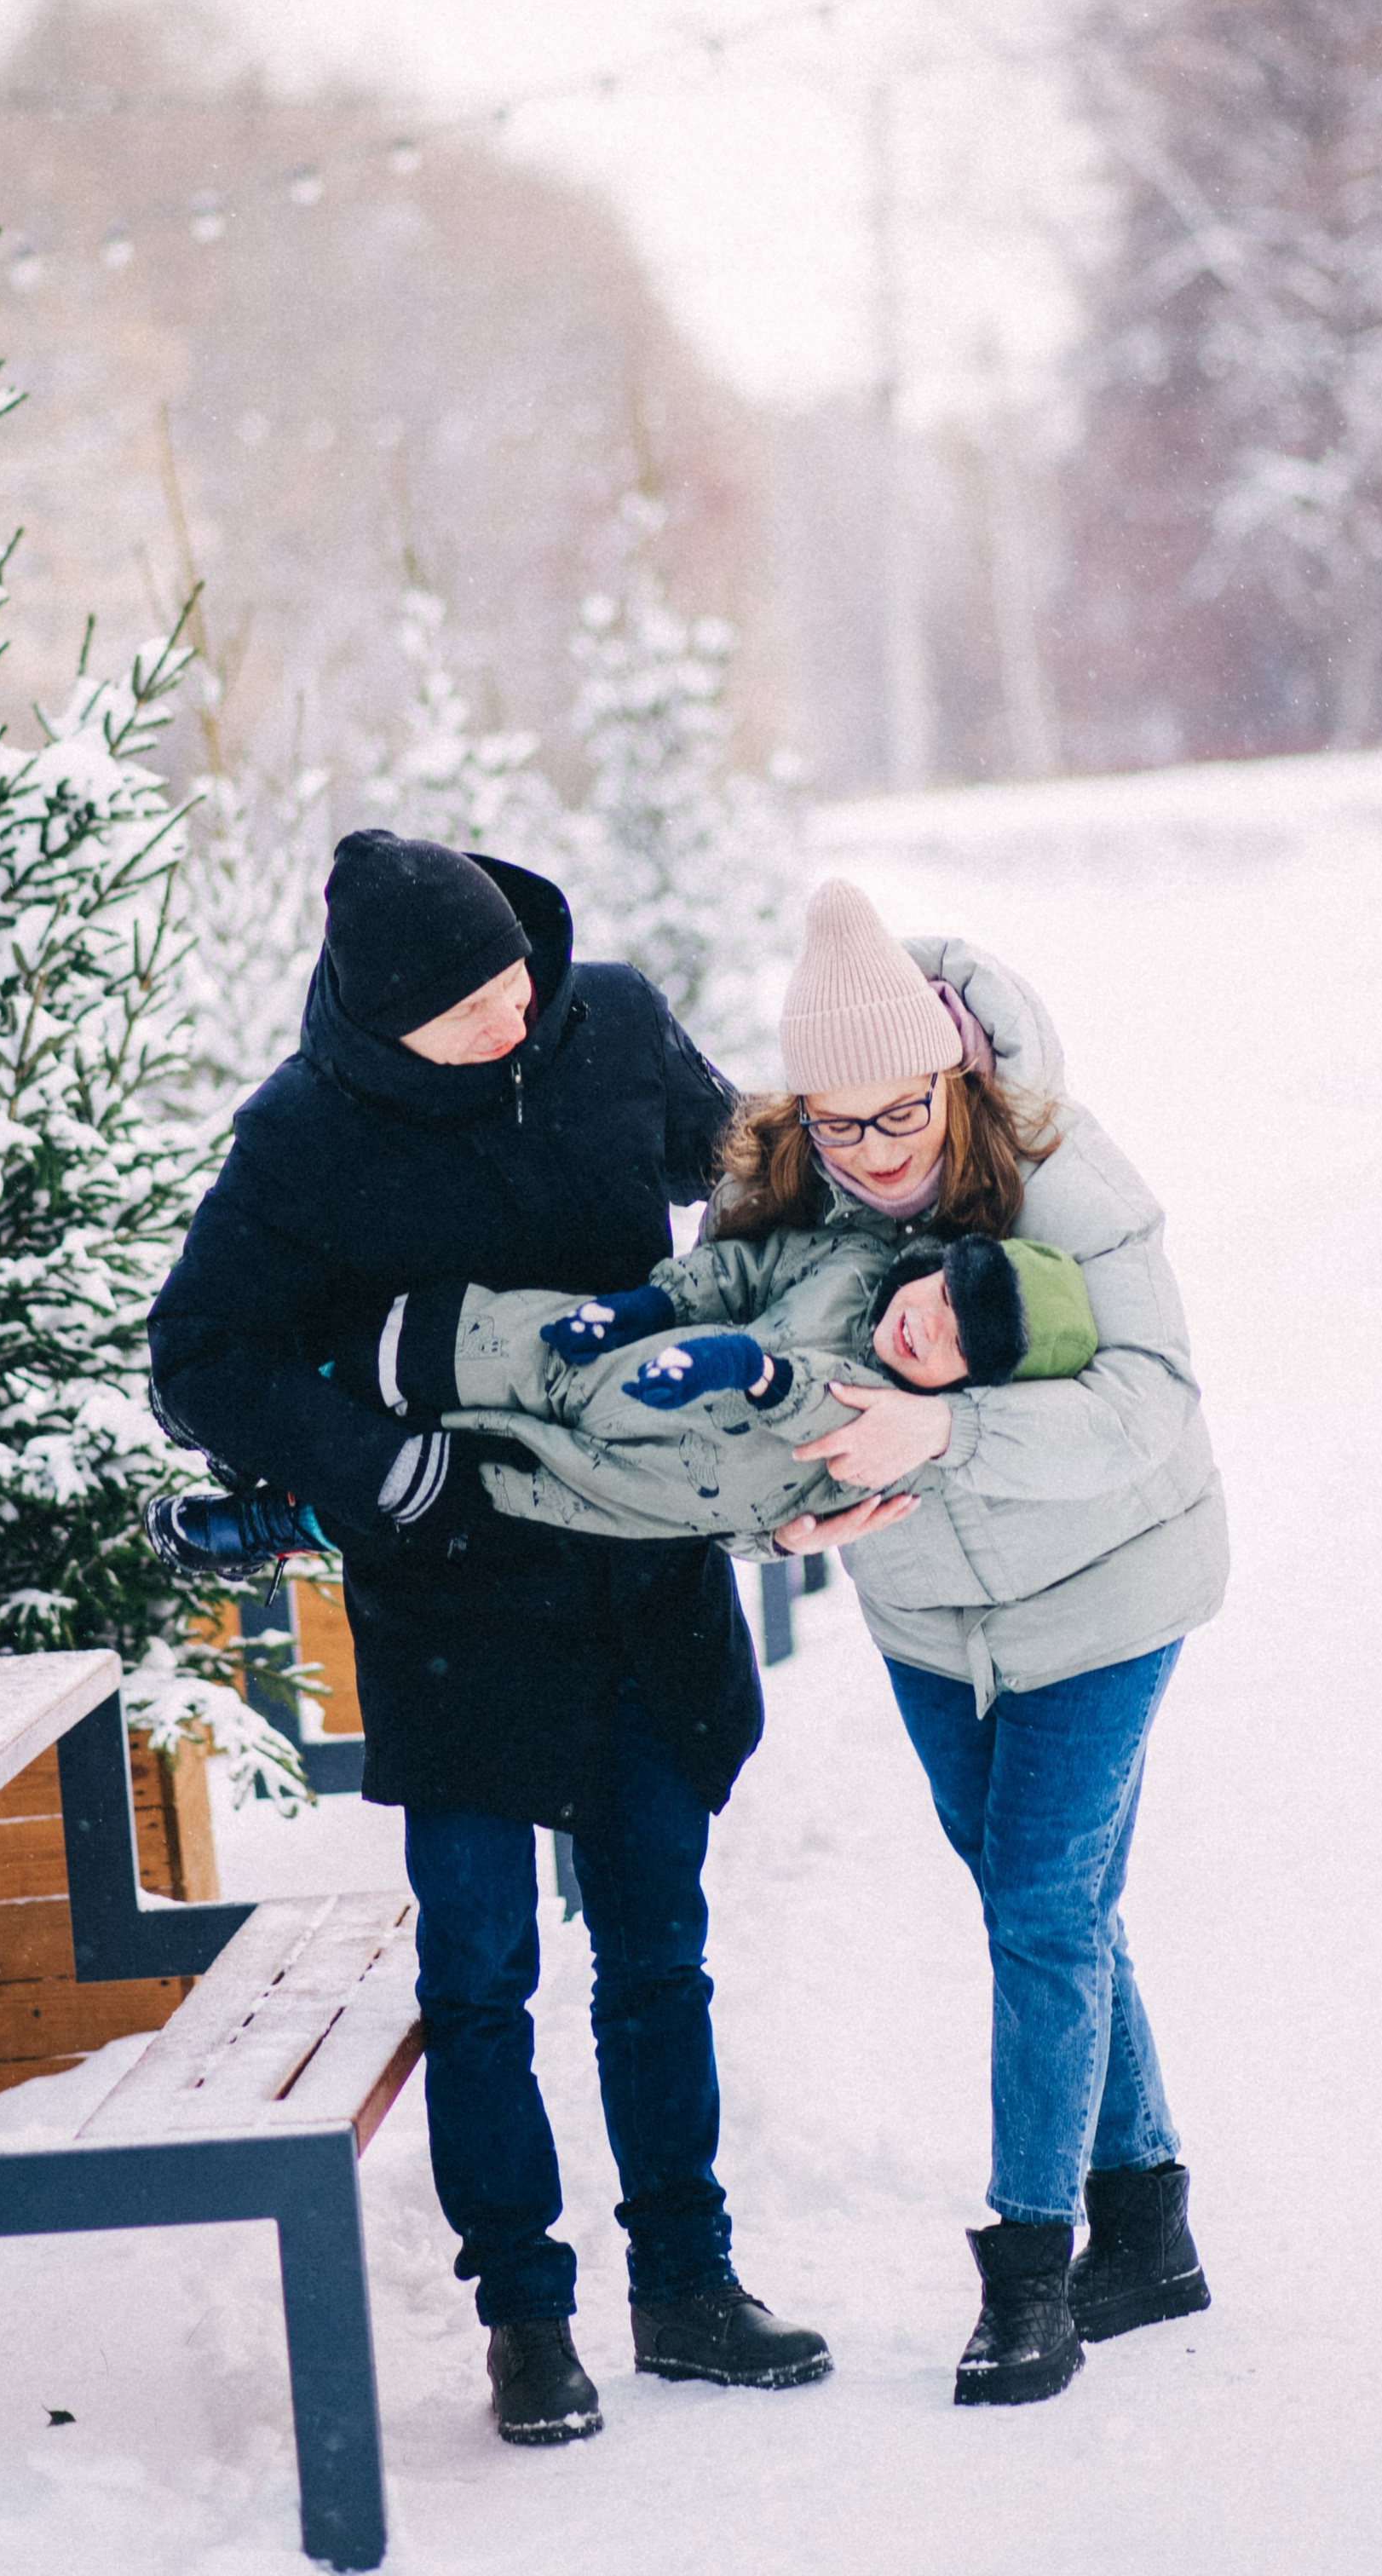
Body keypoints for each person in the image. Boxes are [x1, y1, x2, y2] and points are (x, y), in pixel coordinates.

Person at [146, 828, 832, 2448]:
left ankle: (687, 2282)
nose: (516, 1024)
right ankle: (527, 2319)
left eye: (519, 985)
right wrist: (369, 1464)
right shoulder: (305, 1140)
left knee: (658, 1956)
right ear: (389, 1028)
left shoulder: (605, 1026)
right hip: (455, 1599)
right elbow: (197, 1356)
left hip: (642, 1583)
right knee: (481, 1981)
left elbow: (759, 1193)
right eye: (473, 1017)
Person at [696, 874, 1229, 2410]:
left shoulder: (1058, 1168)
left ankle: (1033, 2273)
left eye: (900, 1116)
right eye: (838, 1125)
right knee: (1036, 1896)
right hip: (934, 1625)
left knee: (1042, 1911)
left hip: (1108, 1591)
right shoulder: (793, 1204)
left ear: (953, 1076)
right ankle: (1150, 2225)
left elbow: (1152, 1404)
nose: (874, 1155)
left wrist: (944, 1430)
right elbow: (757, 1421)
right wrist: (778, 1526)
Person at [156, 1229, 1098, 1553]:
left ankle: (276, 1521)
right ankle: (255, 1411)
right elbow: (745, 1267)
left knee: (446, 1478)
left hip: (622, 1482)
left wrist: (754, 1373)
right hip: (624, 1367)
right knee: (464, 1344)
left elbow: (816, 1408)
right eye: (941, 1299)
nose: (925, 1327)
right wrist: (647, 1301)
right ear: (934, 1266)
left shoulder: (897, 1431)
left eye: (954, 1347)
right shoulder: (857, 1265)